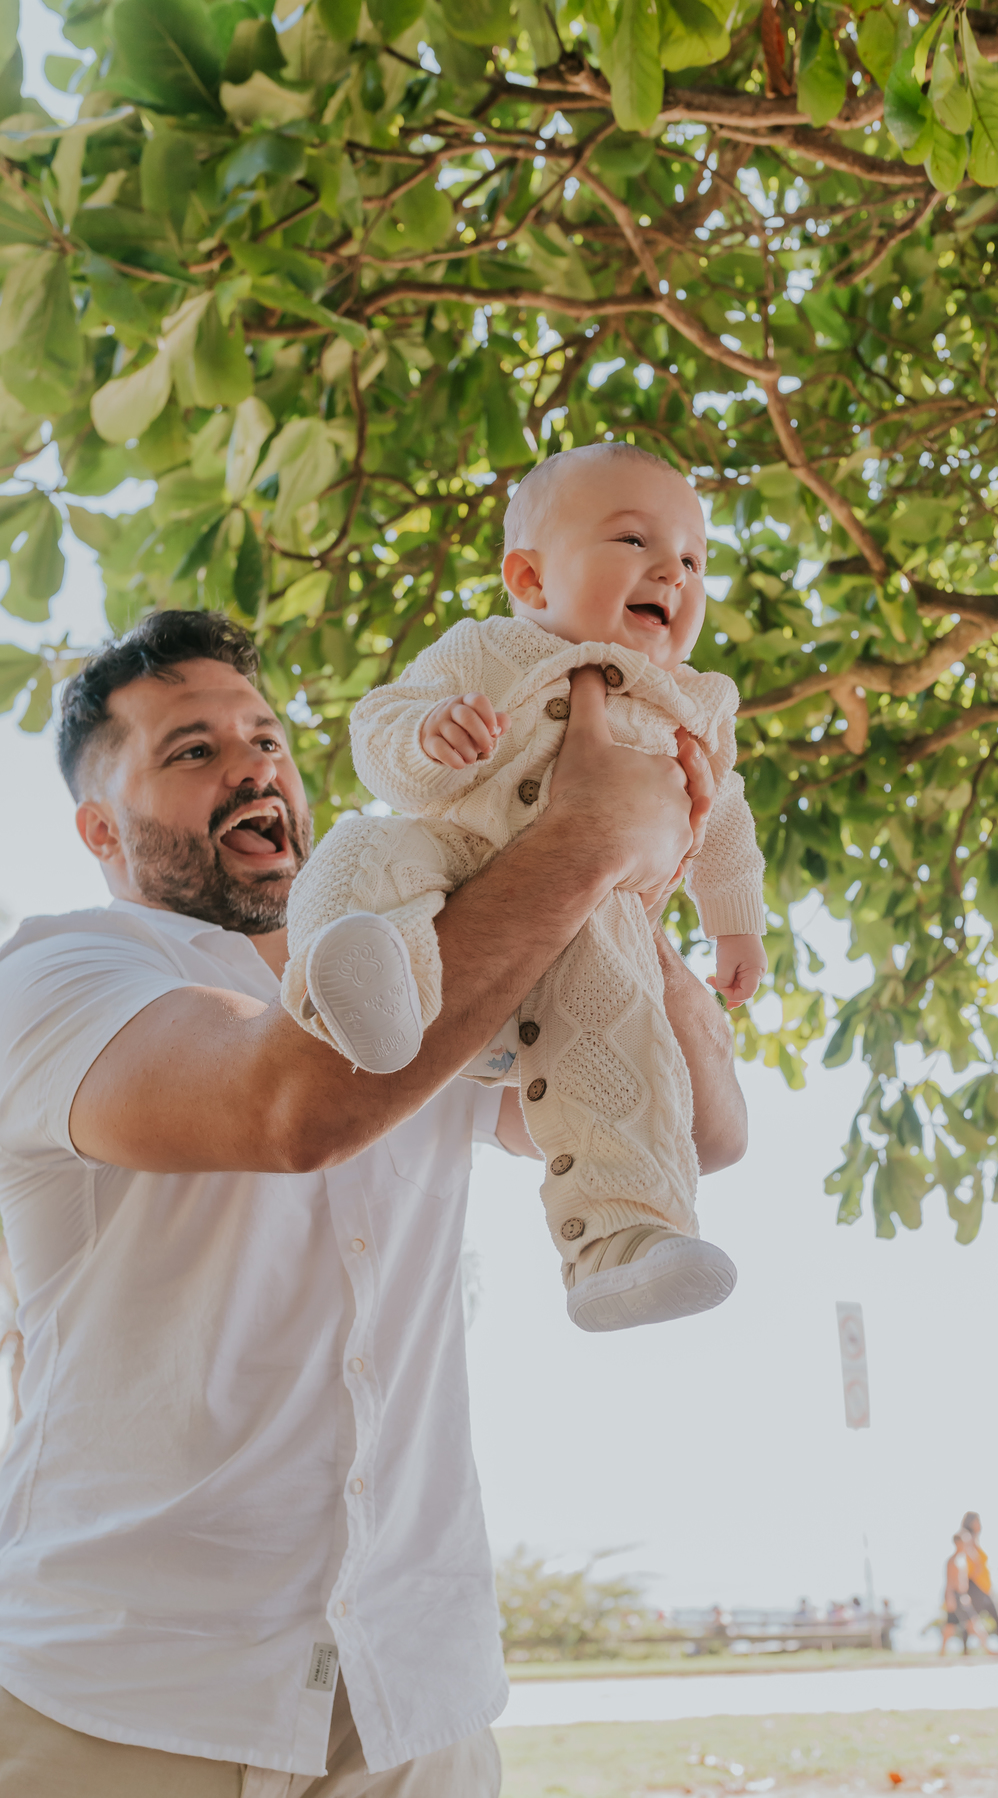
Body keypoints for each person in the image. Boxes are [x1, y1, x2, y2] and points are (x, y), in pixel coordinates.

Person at [0, 608, 746, 1795]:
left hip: (415, 1697)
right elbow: (292, 1108)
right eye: (192, 751)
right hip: (130, 1699)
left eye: (266, 738)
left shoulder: (432, 961)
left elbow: (699, 1130)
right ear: (100, 826)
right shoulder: (58, 975)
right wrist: (587, 837)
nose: (253, 766)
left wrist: (627, 893)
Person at [280, 444, 768, 1334]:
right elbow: (379, 722)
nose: (675, 571)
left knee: (623, 1047)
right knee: (360, 856)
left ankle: (626, 1244)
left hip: (594, 928)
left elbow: (723, 815)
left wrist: (734, 925)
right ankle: (371, 989)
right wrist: (428, 735)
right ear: (530, 577)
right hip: (455, 867)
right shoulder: (483, 650)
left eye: (694, 559)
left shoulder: (689, 702)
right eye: (634, 539)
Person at [961, 1511, 998, 1652]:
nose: (979, 1524)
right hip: (975, 1585)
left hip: (984, 1586)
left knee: (987, 1617)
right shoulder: (967, 1538)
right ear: (971, 1522)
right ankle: (966, 1650)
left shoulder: (975, 1539)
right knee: (973, 1618)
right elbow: (971, 1561)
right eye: (977, 1521)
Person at [939, 1532, 990, 1656]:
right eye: (964, 1542)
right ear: (957, 1543)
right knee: (973, 1622)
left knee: (950, 1625)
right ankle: (988, 1650)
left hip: (961, 1596)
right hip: (956, 1597)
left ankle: (942, 1652)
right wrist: (950, 1599)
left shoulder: (963, 1560)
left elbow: (977, 1568)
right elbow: (950, 1583)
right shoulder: (952, 1561)